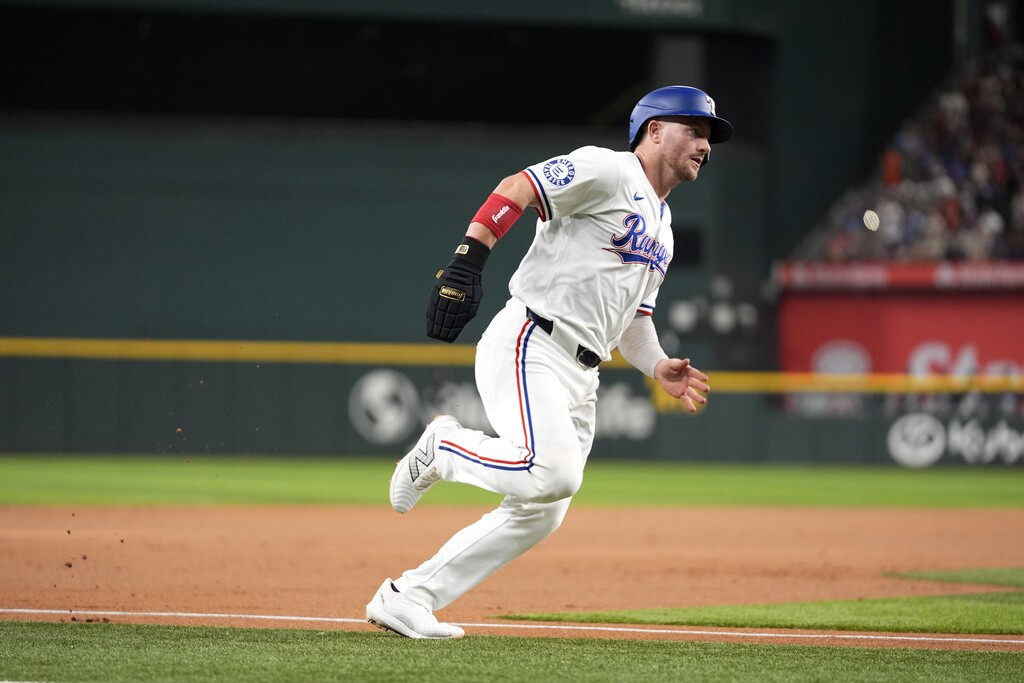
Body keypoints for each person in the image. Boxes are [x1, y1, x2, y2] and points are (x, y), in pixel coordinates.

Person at [365, 85, 731, 639]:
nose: (705, 143)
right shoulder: (607, 170)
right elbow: (519, 187)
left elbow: (633, 322)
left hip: (582, 372)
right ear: (653, 130)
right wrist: (469, 257)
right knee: (553, 472)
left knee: (543, 508)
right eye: (694, 130)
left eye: (709, 136)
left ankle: (408, 597)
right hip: (531, 338)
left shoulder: (665, 227)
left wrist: (656, 364)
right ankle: (444, 447)